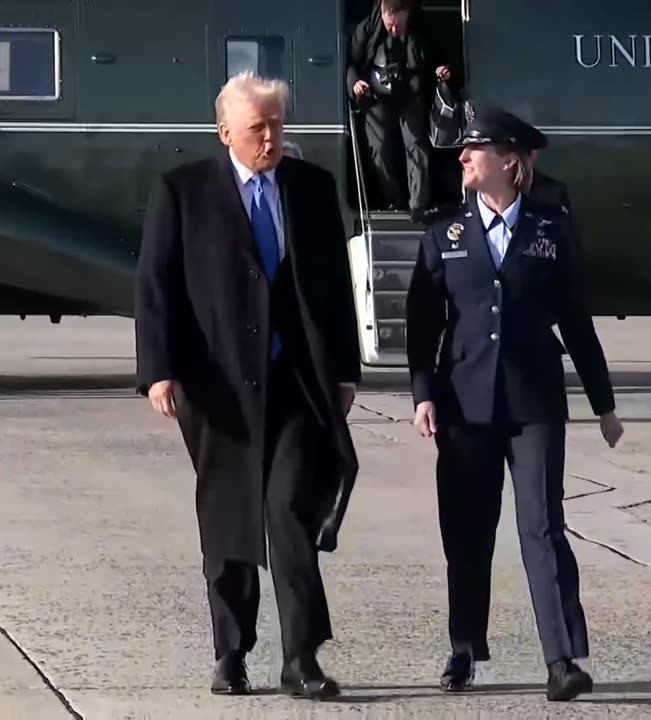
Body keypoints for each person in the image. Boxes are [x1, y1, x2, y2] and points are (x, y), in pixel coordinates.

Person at [133, 71, 362, 700]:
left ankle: (302, 657)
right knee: (230, 520)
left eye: (277, 125)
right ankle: (231, 654)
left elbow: (334, 289)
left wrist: (345, 370)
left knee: (289, 510)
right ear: (225, 131)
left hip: (296, 382)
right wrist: (157, 369)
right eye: (258, 127)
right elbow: (156, 286)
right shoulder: (184, 192)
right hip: (219, 389)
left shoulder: (312, 189)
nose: (270, 138)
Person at [404, 105, 624, 702]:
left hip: (534, 404)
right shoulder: (443, 235)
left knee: (542, 527)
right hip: (464, 407)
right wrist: (423, 393)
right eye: (462, 150)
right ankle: (463, 648)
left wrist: (603, 402)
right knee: (468, 531)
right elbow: (422, 323)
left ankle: (561, 658)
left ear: (509, 160)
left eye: (474, 150)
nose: (463, 158)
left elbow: (576, 320)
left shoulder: (550, 230)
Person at [346, 0, 450, 220]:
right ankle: (395, 200)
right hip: (377, 96)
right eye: (389, 25)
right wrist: (355, 84)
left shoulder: (423, 28)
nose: (393, 30)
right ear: (383, 13)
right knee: (380, 147)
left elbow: (439, 57)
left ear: (408, 14)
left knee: (416, 144)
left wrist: (442, 70)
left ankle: (418, 205)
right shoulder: (366, 29)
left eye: (398, 26)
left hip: (411, 93)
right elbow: (352, 62)